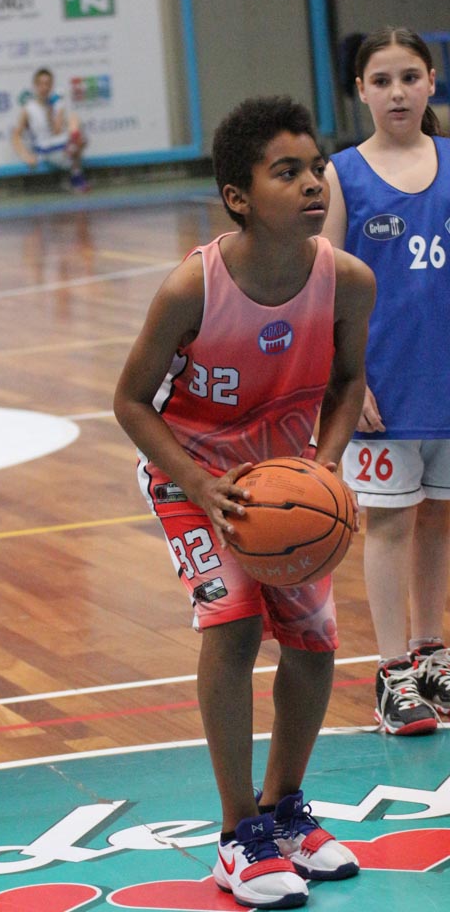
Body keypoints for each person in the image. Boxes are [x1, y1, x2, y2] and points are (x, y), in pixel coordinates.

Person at [114, 96, 375, 909]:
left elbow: (348, 382)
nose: (312, 183)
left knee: (315, 643)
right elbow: (129, 401)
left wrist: (325, 466)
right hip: (194, 477)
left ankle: (285, 810)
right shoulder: (191, 287)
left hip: (287, 486)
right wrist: (196, 484)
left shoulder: (348, 281)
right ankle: (238, 835)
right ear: (238, 196)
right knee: (231, 625)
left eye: (316, 167)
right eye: (286, 172)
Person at [323, 26, 450, 737]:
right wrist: (349, 377)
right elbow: (325, 288)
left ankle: (433, 655)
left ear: (431, 81)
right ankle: (393, 669)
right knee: (392, 523)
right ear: (361, 91)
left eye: (409, 77)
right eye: (381, 81)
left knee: (440, 518)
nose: (397, 92)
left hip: (445, 377)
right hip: (383, 390)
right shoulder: (342, 174)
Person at [12, 67, 89, 192]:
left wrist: (53, 112)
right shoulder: (28, 108)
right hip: (43, 148)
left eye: (48, 84)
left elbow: (57, 130)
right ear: (35, 86)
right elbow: (15, 135)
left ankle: (74, 171)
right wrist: (26, 156)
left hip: (57, 144)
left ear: (52, 86)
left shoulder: (55, 104)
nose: (44, 88)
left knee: (75, 122)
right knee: (74, 143)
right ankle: (75, 174)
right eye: (41, 84)